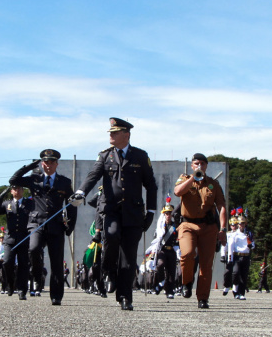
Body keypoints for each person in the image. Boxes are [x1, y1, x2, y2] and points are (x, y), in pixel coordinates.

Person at [72, 118, 157, 311]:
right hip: (111, 210)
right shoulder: (105, 156)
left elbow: (151, 185)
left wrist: (151, 211)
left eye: (115, 132)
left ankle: (125, 297)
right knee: (110, 236)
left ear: (126, 135)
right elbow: (92, 176)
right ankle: (109, 270)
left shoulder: (140, 156)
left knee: (128, 258)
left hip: (134, 213)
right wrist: (81, 192)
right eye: (110, 132)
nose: (110, 135)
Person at [10, 149, 77, 306]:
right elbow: (13, 179)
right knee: (33, 249)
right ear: (42, 163)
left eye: (52, 162)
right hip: (36, 223)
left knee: (56, 262)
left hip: (56, 225)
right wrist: (30, 166)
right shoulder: (34, 178)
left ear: (57, 164)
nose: (49, 165)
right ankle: (37, 273)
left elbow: (72, 205)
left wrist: (70, 226)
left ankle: (56, 296)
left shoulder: (64, 182)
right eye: (46, 162)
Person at [173, 153, 227, 309]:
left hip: (208, 227)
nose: (200, 166)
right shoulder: (184, 179)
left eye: (203, 164)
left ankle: (203, 298)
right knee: (187, 254)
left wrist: (223, 229)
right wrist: (192, 178)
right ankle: (187, 282)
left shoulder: (213, 184)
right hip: (187, 225)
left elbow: (221, 206)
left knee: (206, 264)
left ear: (206, 166)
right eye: (197, 163)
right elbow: (178, 192)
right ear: (192, 165)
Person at [0, 184, 34, 299]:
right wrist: (1, 195)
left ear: (22, 190)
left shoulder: (29, 203)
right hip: (10, 239)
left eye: (19, 188)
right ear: (11, 191)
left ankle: (22, 290)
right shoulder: (7, 204)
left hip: (24, 238)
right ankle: (10, 284)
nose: (17, 191)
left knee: (23, 265)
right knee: (7, 262)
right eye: (14, 189)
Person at [152, 198, 179, 299]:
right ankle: (161, 281)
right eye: (166, 213)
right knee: (160, 264)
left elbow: (177, 239)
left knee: (171, 272)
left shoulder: (174, 226)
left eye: (169, 213)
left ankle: (170, 291)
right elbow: (156, 240)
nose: (168, 215)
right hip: (162, 250)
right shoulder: (160, 227)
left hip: (171, 250)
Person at [225, 212, 252, 300]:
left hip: (246, 256)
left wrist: (252, 245)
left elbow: (253, 243)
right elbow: (231, 247)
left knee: (244, 275)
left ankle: (241, 293)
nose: (241, 225)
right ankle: (235, 290)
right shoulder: (234, 234)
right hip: (237, 256)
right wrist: (230, 259)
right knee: (235, 273)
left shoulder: (248, 233)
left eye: (243, 223)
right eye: (240, 223)